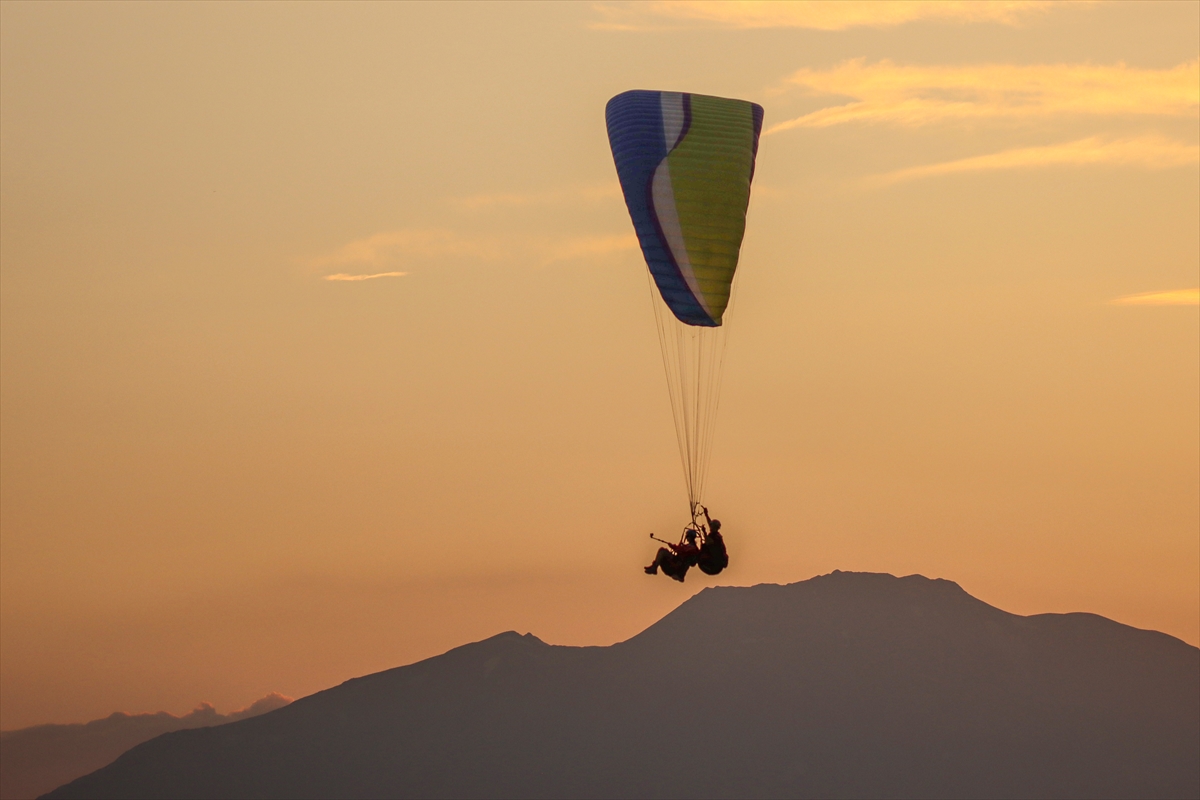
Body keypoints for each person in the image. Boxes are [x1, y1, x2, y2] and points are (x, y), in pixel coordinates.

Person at [697, 506, 728, 576]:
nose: (710, 527)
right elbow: (709, 523)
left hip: (714, 567)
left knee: (697, 554)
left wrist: (704, 532)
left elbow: (709, 542)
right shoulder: (715, 534)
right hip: (714, 565)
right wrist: (706, 514)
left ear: (715, 527)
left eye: (712, 526)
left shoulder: (716, 537)